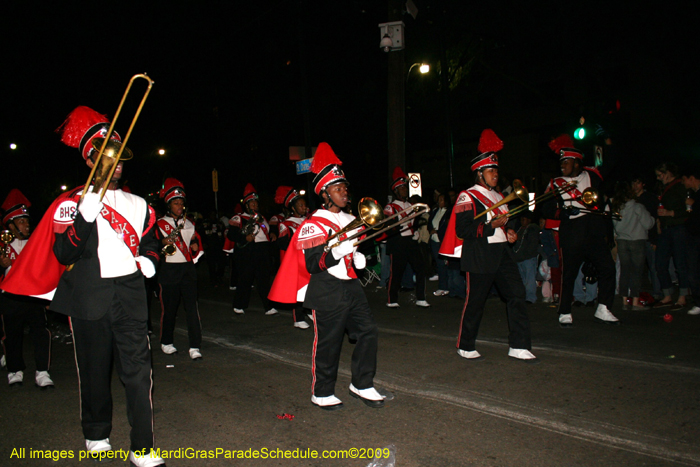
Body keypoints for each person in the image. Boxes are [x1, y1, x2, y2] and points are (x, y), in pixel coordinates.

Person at [0, 107, 166, 465]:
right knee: (94, 372)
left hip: (131, 296)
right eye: (107, 157)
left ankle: (143, 445)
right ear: (90, 160)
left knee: (139, 373)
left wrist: (149, 260)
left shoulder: (139, 204)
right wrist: (86, 213)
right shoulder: (72, 203)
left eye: (120, 159)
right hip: (89, 296)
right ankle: (96, 433)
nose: (116, 165)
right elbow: (64, 251)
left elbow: (151, 241)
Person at [269, 142, 385, 410]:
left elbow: (352, 250)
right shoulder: (313, 224)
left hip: (351, 286)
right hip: (326, 289)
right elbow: (314, 263)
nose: (344, 192)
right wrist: (338, 252)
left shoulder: (350, 218)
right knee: (329, 342)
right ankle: (321, 392)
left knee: (369, 331)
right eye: (337, 188)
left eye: (345, 187)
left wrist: (356, 258)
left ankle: (362, 383)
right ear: (325, 194)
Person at [440, 129, 536, 362]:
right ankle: (465, 345)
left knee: (517, 293)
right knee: (476, 301)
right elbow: (463, 230)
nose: (495, 174)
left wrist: (509, 231)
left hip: (502, 252)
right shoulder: (468, 196)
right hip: (480, 254)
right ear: (480, 173)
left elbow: (500, 225)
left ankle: (519, 345)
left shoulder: (498, 195)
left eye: (496, 170)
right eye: (491, 170)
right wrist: (491, 225)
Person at [540, 134, 618, 326]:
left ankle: (604, 308)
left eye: (566, 161)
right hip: (572, 231)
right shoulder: (555, 183)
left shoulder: (592, 175)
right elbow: (544, 208)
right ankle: (565, 310)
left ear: (576, 162)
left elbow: (611, 162)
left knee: (608, 267)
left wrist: (609, 144)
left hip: (593, 230)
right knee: (570, 273)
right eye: (561, 162)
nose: (562, 165)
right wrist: (562, 211)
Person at [0, 189, 53, 388]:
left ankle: (43, 371)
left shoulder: (35, 242)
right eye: (21, 221)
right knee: (12, 334)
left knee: (41, 332)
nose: (27, 225)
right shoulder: (3, 244)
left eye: (27, 221)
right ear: (10, 224)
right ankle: (15, 370)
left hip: (33, 296)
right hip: (11, 297)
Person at [156, 178, 204, 360]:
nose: (179, 206)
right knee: (169, 309)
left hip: (188, 270)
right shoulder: (159, 224)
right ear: (169, 205)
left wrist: (195, 246)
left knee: (192, 308)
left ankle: (195, 346)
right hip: (168, 271)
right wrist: (162, 242)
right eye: (176, 203)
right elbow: (152, 246)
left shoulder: (190, 223)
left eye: (181, 203)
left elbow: (197, 244)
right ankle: (166, 342)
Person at [227, 184, 277, 315]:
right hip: (248, 251)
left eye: (256, 203)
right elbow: (231, 234)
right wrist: (244, 238)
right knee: (245, 279)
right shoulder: (239, 218)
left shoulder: (262, 218)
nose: (254, 205)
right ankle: (239, 305)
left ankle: (268, 306)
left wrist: (272, 234)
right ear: (247, 205)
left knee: (264, 280)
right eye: (252, 203)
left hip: (262, 250)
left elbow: (266, 231)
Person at [384, 167, 430, 308]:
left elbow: (415, 223)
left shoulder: (411, 205)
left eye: (405, 187)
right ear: (396, 191)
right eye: (402, 188)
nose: (405, 190)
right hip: (398, 242)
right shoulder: (391, 207)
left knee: (421, 268)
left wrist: (415, 229)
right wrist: (400, 224)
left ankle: (421, 298)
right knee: (397, 272)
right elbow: (389, 226)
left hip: (411, 241)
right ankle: (392, 300)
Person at [611, 181, 655, 310]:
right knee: (636, 271)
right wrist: (652, 219)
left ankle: (625, 299)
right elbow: (648, 224)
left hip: (622, 241)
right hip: (637, 240)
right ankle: (635, 301)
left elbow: (614, 226)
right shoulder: (638, 207)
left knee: (625, 270)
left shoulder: (617, 208)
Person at [653, 162, 690, 311]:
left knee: (680, 263)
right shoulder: (663, 188)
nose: (659, 178)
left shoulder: (680, 186)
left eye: (660, 174)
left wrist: (670, 213)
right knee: (660, 263)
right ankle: (667, 295)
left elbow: (688, 210)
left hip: (678, 228)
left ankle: (682, 297)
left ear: (668, 172)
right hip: (666, 230)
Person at [274, 185, 310, 329]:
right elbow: (282, 243)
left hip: (308, 259)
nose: (304, 207)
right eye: (300, 205)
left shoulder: (309, 220)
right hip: (295, 262)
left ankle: (310, 311)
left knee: (311, 287)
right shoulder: (286, 224)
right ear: (293, 208)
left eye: (304, 204)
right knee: (298, 289)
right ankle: (298, 318)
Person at [631, 175, 662, 300]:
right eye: (633, 183)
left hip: (648, 237)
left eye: (638, 183)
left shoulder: (649, 198)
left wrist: (654, 239)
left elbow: (654, 219)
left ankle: (657, 292)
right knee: (636, 267)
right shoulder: (630, 199)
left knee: (654, 267)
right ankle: (635, 293)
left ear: (643, 184)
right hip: (635, 237)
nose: (635, 186)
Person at [682, 168, 700, 315]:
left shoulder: (695, 197)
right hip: (693, 237)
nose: (683, 183)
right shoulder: (692, 193)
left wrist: (693, 204)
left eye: (685, 179)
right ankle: (698, 302)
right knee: (693, 271)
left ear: (692, 178)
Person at [512, 211, 540, 304]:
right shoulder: (520, 229)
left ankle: (530, 297)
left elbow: (532, 245)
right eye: (521, 219)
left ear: (529, 220)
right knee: (523, 279)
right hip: (520, 258)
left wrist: (526, 255)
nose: (522, 221)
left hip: (528, 258)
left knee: (529, 279)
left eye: (524, 219)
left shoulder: (532, 229)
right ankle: (524, 296)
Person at [428, 193, 449, 296]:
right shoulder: (435, 211)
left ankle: (443, 287)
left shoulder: (448, 212)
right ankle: (443, 286)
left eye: (442, 200)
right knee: (439, 264)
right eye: (439, 200)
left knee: (443, 265)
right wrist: (431, 230)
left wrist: (438, 232)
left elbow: (446, 227)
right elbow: (429, 222)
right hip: (434, 240)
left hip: (442, 241)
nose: (439, 201)